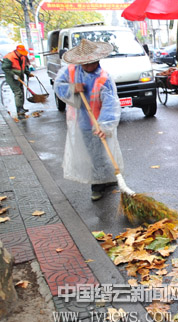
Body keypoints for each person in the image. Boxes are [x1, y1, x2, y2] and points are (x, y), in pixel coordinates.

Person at [54, 39, 124, 201]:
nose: (86, 66)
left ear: (97, 60)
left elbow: (110, 104)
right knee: (94, 155)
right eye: (83, 63)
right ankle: (98, 184)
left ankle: (106, 179)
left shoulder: (104, 78)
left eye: (89, 63)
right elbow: (58, 86)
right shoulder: (71, 71)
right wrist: (72, 88)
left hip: (100, 121)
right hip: (83, 123)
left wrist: (104, 125)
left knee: (102, 152)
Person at [2, 45, 34, 119]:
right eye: (21, 52)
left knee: (21, 92)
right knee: (18, 92)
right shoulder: (9, 57)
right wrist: (13, 75)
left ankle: (21, 108)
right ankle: (19, 110)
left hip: (20, 76)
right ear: (17, 51)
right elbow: (5, 68)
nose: (22, 54)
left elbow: (24, 66)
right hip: (12, 78)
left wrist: (28, 73)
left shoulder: (22, 57)